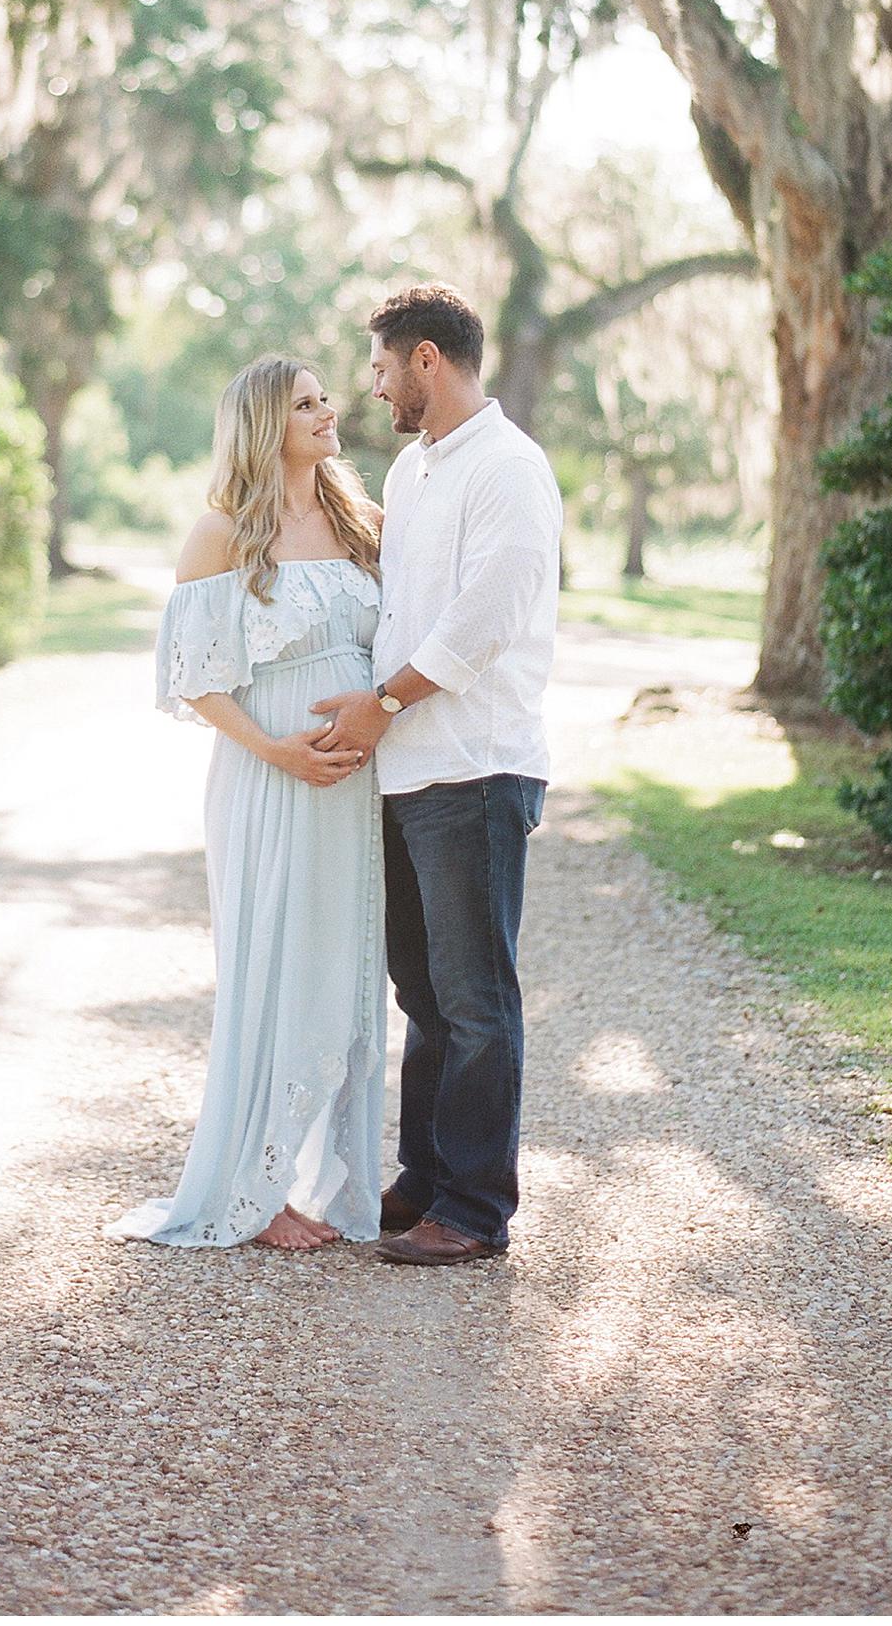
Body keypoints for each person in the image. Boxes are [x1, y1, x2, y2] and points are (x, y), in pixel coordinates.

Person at [105, 354, 386, 1252]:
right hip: (270, 780)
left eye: (325, 397)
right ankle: (254, 1191)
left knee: (344, 972)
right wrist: (277, 752)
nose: (327, 410)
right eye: (305, 403)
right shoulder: (223, 532)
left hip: (352, 788)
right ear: (266, 424)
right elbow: (194, 679)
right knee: (276, 969)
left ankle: (326, 1178)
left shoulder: (358, 518)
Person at [310, 285, 563, 1268]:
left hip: (476, 763)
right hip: (406, 768)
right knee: (419, 989)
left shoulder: (510, 466)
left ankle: (474, 1206)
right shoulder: (414, 470)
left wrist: (386, 701)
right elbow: (398, 605)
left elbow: (486, 615)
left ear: (425, 358)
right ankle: (423, 1176)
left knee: (473, 994)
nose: (373, 390)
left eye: (379, 368)